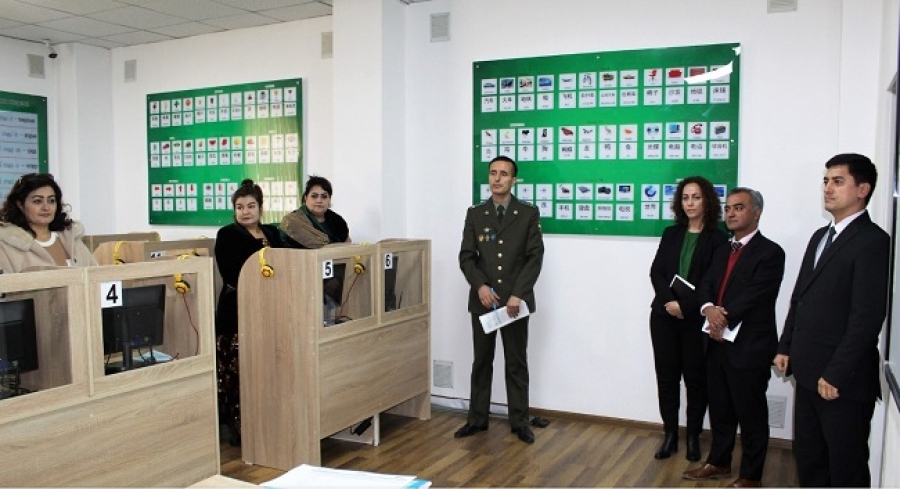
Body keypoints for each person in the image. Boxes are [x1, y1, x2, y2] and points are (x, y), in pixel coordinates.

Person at [774, 154, 888, 487]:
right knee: (810, 460)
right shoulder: (820, 236)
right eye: (825, 181)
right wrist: (786, 346)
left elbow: (866, 318)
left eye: (838, 181)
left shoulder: (873, 242)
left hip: (843, 382)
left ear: (862, 189)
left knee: (845, 468)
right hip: (808, 372)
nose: (827, 188)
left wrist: (836, 373)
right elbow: (800, 296)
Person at [684, 187, 785, 488]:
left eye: (738, 207)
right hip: (716, 343)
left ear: (756, 213)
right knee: (720, 408)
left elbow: (755, 294)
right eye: (728, 208)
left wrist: (722, 317)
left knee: (751, 414)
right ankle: (719, 461)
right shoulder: (721, 249)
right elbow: (705, 284)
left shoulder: (771, 252)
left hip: (749, 346)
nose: (730, 213)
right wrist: (708, 308)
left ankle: (751, 476)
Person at [455, 156, 544, 444]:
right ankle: (476, 419)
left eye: (504, 174)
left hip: (515, 303)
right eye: (493, 173)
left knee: (516, 363)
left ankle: (520, 421)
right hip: (484, 302)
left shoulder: (527, 213)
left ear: (513, 180)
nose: (497, 178)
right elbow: (467, 256)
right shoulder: (476, 214)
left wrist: (518, 294)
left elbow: (534, 258)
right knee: (482, 361)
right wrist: (480, 286)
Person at [648, 176, 728, 462]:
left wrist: (686, 305)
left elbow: (713, 280)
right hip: (664, 316)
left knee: (696, 380)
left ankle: (693, 436)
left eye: (696, 197)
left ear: (707, 200)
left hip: (696, 318)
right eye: (685, 197)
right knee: (667, 378)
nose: (690, 203)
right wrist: (670, 302)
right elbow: (657, 272)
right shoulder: (671, 233)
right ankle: (670, 435)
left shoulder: (719, 238)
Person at [213, 179, 282, 446]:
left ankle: (267, 425)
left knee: (266, 371)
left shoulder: (273, 233)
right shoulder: (227, 234)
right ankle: (241, 429)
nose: (245, 212)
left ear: (261, 208)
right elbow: (232, 272)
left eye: (251, 206)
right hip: (237, 312)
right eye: (240, 207)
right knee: (238, 374)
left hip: (270, 310)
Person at [0, 172, 95, 272]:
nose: (46, 207)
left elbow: (96, 276)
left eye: (51, 200)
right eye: (37, 201)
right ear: (20, 205)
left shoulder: (71, 238)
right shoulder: (6, 245)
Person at [280, 176, 350, 248]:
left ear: (329, 199)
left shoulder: (339, 223)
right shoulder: (292, 221)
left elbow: (347, 248)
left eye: (324, 197)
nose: (319, 200)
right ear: (306, 198)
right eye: (314, 196)